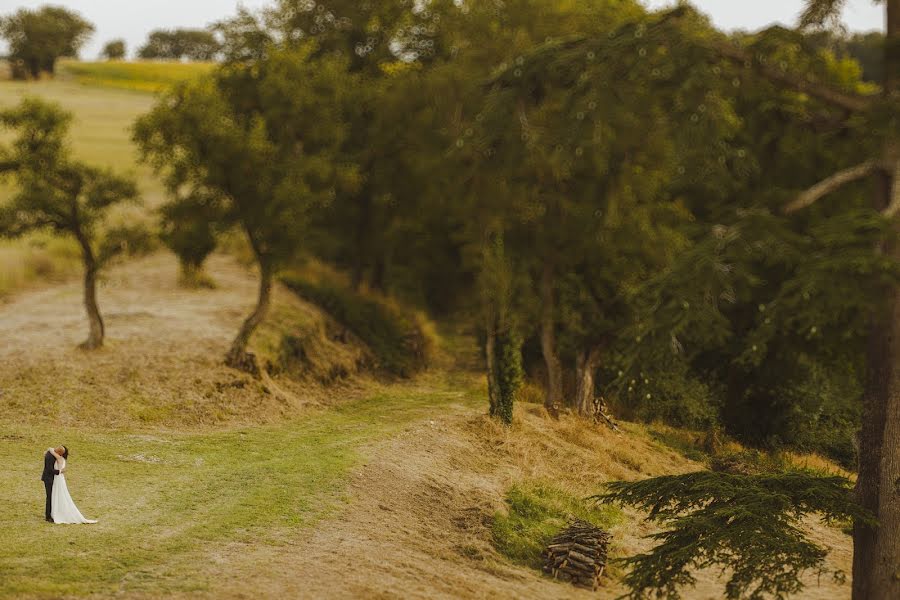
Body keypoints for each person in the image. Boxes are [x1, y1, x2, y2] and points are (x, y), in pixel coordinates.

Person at [46, 446, 97, 524]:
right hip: (57, 479)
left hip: (57, 479)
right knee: (55, 496)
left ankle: (52, 514)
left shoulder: (59, 458)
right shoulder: (60, 458)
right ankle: (51, 513)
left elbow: (53, 452)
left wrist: (50, 449)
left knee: (55, 495)